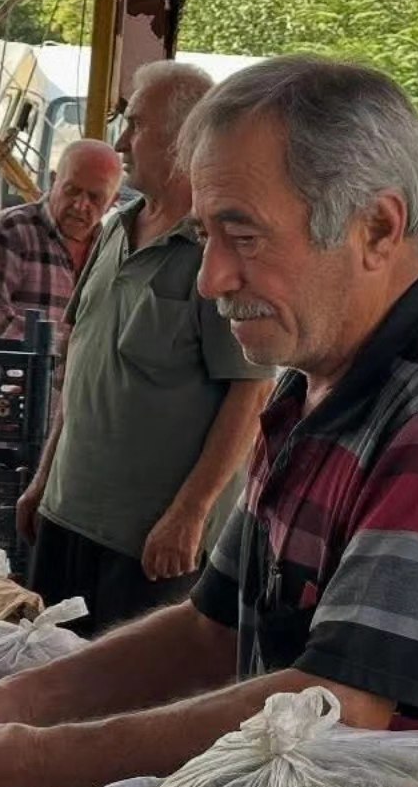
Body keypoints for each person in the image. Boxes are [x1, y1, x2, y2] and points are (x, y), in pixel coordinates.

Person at [0, 56, 418, 787]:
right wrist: (18, 699)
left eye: (244, 236)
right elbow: (211, 626)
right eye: (204, 236)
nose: (211, 279)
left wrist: (41, 760)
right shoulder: (309, 384)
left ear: (377, 227)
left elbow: (342, 706)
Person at [17, 63, 274, 636]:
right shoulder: (114, 231)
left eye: (136, 125)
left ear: (184, 140)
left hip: (146, 545)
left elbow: (250, 394)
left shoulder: (216, 251)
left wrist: (191, 512)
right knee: (44, 685)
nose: (121, 142)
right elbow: (82, 366)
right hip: (67, 519)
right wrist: (43, 479)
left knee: (115, 709)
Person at [0, 139, 122, 339]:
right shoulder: (8, 233)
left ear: (113, 201)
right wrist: (65, 345)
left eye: (95, 197)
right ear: (53, 181)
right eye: (72, 190)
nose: (80, 205)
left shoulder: (113, 251)